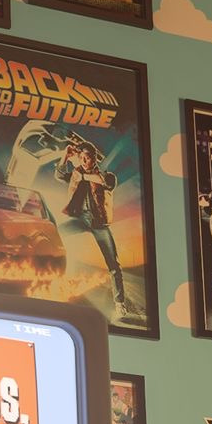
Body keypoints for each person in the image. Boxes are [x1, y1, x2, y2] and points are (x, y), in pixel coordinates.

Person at [55, 135, 131, 319]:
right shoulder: (76, 174)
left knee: (114, 265)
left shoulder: (106, 176)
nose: (84, 161)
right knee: (55, 234)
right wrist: (65, 156)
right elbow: (59, 175)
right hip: (80, 219)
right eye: (81, 157)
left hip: (99, 223)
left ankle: (120, 303)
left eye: (87, 157)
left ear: (95, 158)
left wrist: (82, 175)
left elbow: (105, 182)